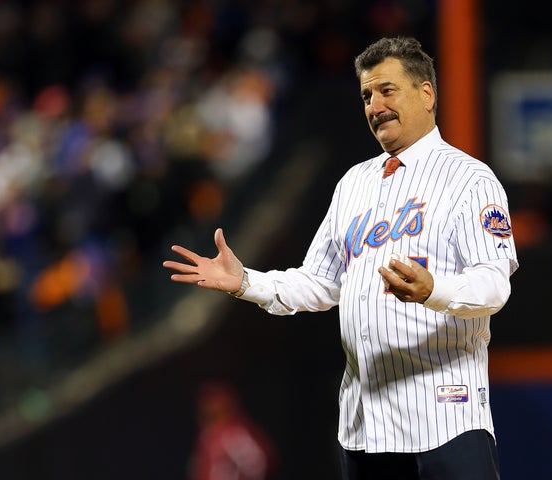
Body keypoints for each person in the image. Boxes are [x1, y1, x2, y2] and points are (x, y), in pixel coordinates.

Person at [164, 36, 518, 480]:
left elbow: (494, 285)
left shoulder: (469, 179)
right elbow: (319, 282)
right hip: (365, 428)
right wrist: (245, 282)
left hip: (446, 422)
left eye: (387, 90)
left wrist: (435, 290)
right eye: (367, 95)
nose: (375, 105)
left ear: (426, 93)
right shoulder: (354, 183)